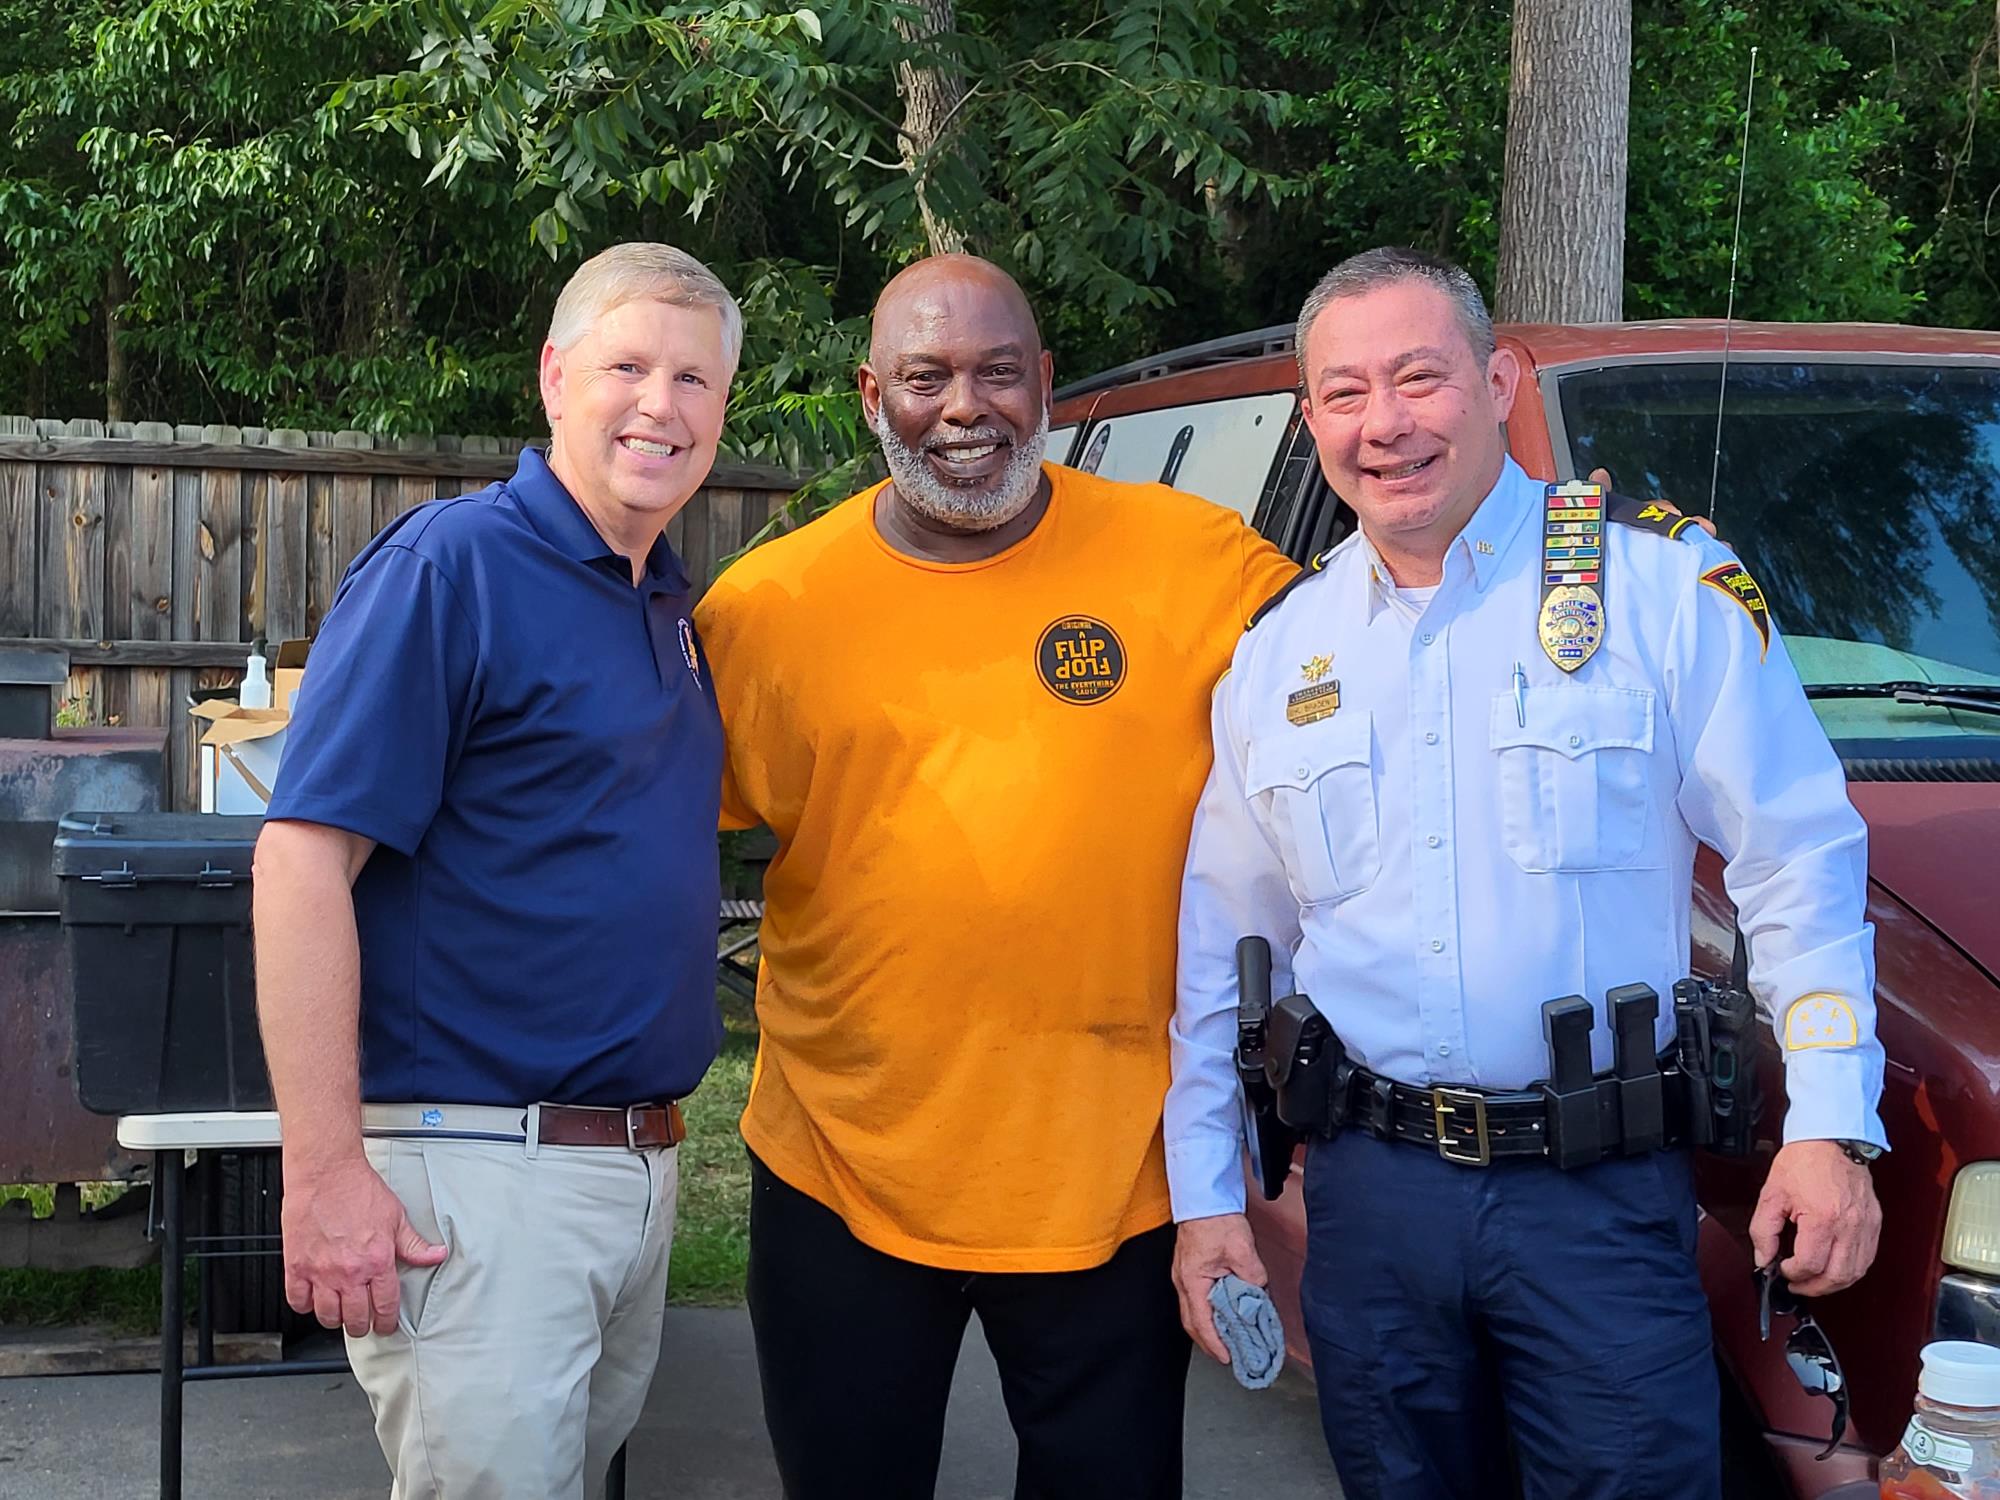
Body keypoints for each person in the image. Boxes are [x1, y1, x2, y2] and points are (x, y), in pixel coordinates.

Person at [1166, 247, 1887, 1499]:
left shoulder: (1654, 589)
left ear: (1498, 380)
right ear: (1309, 420)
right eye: (1342, 393)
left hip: (1594, 1204)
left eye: (1417, 378)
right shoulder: (1278, 657)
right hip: (1369, 1204)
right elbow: (1224, 947)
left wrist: (1829, 1121)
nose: (1382, 424)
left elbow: (1794, 858)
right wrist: (1204, 1196)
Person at [692, 254, 1301, 1499]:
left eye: (996, 372)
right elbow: (629, 831)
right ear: (872, 393)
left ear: (1047, 387)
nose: (961, 408)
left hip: (1115, 1172)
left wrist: (1573, 563)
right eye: (924, 377)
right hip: (841, 1164)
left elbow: (1381, 674)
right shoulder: (765, 607)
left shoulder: (1196, 561)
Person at [253, 242, 738, 1499]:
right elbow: (300, 861)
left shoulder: (667, 608)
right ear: (553, 378)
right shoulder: (450, 569)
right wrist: (321, 1173)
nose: (659, 405)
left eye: (693, 379)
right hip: (474, 1172)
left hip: (629, 1167)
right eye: (626, 366)